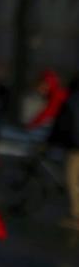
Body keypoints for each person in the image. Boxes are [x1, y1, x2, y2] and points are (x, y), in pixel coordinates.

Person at [46, 73, 79, 231]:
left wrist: (51, 141)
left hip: (75, 148)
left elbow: (64, 123)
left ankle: (76, 216)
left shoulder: (72, 101)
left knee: (72, 181)